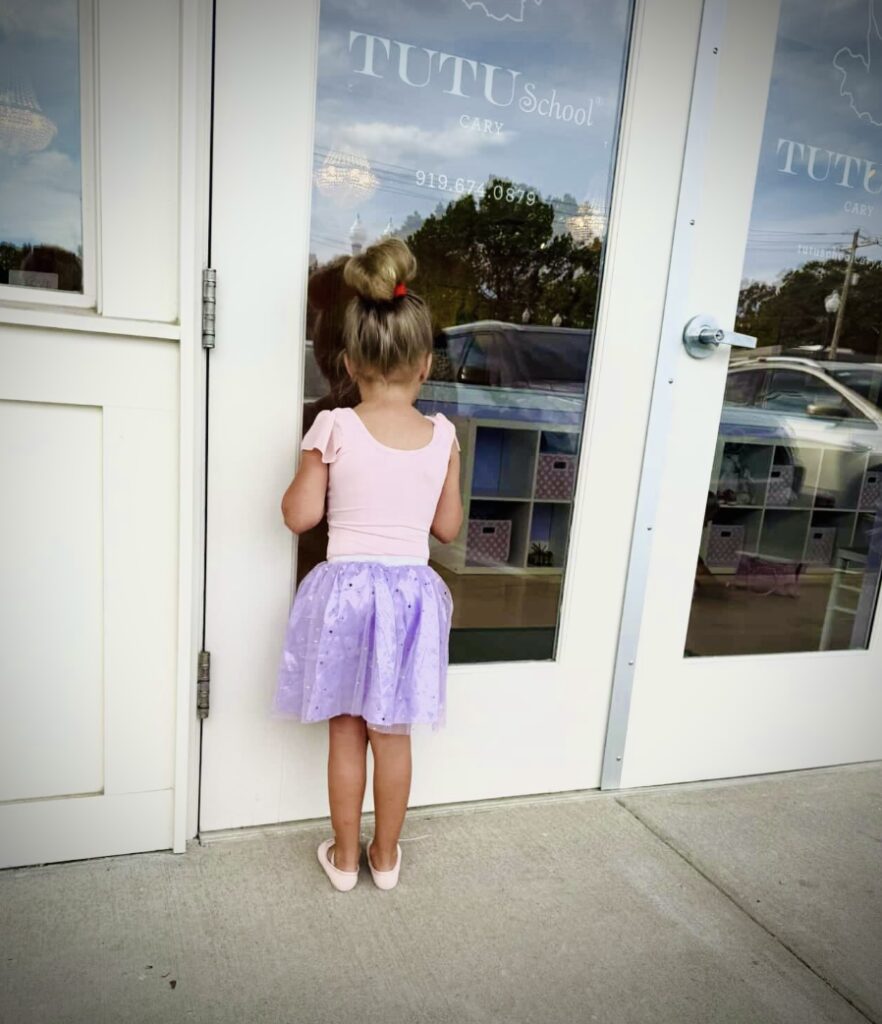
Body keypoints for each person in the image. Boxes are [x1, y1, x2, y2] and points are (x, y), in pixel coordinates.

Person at [272, 237, 463, 892]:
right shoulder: (443, 435)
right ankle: (386, 859)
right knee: (393, 733)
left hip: (347, 594)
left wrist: (311, 464)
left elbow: (299, 517)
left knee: (346, 733)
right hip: (410, 596)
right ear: (425, 364)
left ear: (350, 362)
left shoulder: (333, 428)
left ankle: (345, 859)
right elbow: (447, 527)